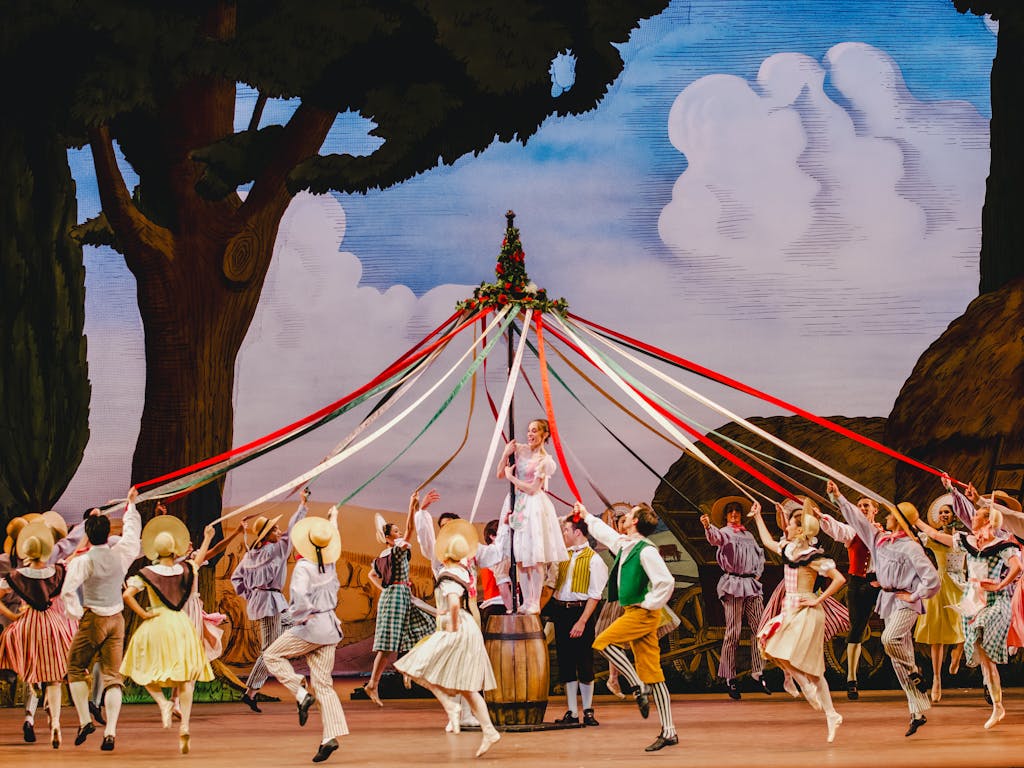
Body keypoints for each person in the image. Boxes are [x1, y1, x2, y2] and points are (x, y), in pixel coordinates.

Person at [825, 480, 939, 736]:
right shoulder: (880, 540)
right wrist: (838, 497)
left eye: (891, 515)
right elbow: (857, 520)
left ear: (899, 519)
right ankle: (917, 711)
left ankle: (915, 672)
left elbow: (932, 579)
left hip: (906, 602)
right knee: (898, 659)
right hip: (888, 601)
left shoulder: (911, 547)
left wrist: (915, 595)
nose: (887, 517)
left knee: (889, 639)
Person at [916, 477, 1022, 729]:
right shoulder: (968, 541)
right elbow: (934, 534)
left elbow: (1017, 567)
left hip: (995, 600)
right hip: (972, 600)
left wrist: (1000, 584)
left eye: (977, 515)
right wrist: (914, 519)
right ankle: (997, 705)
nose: (971, 517)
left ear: (988, 520)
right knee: (984, 659)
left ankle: (992, 681)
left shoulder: (1003, 544)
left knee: (983, 628)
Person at [575, 501, 677, 752]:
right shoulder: (626, 544)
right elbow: (605, 534)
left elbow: (665, 581)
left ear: (635, 522)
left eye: (629, 515)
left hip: (642, 613)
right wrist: (586, 515)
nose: (625, 517)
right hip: (636, 612)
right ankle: (669, 731)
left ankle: (637, 685)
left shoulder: (646, 550)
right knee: (654, 673)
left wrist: (649, 603)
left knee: (603, 641)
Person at [394, 519, 501, 758]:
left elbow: (453, 602)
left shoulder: (448, 573)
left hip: (458, 626)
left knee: (412, 665)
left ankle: (449, 704)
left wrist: (451, 624)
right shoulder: (464, 570)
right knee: (467, 687)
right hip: (467, 625)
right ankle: (489, 730)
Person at [751, 499, 845, 742]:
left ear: (800, 530)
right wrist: (758, 516)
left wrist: (818, 599)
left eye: (791, 526)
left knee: (801, 662)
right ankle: (830, 712)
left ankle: (807, 688)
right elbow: (767, 541)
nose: (787, 529)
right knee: (771, 646)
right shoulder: (789, 549)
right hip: (790, 607)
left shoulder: (811, 557)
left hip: (807, 610)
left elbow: (839, 579)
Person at [261, 507, 349, 763]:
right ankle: (329, 736)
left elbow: (299, 597)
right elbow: (332, 538)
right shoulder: (329, 563)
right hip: (330, 628)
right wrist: (334, 519)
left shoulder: (303, 566)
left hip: (312, 627)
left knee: (271, 655)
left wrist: (300, 615)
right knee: (323, 684)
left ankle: (300, 692)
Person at [120, 517, 214, 754]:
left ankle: (163, 702)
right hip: (181, 624)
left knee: (141, 667)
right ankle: (185, 725)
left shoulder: (146, 573)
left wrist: (143, 614)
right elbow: (199, 560)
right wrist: (207, 538)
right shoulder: (185, 569)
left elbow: (127, 595)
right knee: (185, 677)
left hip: (158, 622)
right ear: (174, 550)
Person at [60, 487, 142, 751]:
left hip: (94, 618)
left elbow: (67, 591)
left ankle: (85, 721)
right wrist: (131, 506)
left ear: (88, 533)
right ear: (108, 533)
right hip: (116, 619)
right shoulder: (121, 553)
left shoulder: (83, 561)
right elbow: (132, 534)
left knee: (75, 668)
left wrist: (76, 614)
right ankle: (111, 732)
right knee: (112, 677)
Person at [230, 488, 310, 712]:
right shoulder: (276, 550)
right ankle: (251, 691)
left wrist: (252, 594)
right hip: (269, 604)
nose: (278, 530)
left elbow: (236, 578)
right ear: (267, 535)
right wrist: (302, 505)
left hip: (273, 603)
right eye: (274, 529)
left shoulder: (251, 555)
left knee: (299, 628)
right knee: (270, 650)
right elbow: (292, 530)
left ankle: (289, 679)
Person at [0, 521, 78, 748]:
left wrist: (12, 616)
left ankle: (31, 706)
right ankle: (55, 723)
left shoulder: (16, 576)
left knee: (30, 665)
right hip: (52, 624)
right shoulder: (58, 572)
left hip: (28, 624)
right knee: (54, 678)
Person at [363, 500, 435, 707]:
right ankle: (373, 684)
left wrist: (386, 588)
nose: (400, 532)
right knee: (387, 646)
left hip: (399, 594)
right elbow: (411, 529)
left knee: (419, 629)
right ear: (388, 538)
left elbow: (371, 575)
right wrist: (412, 507)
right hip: (396, 597)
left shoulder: (381, 557)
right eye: (396, 531)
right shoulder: (396, 551)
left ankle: (407, 669)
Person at [495, 419, 569, 614]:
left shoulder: (545, 461)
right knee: (520, 556)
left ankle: (535, 601)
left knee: (534, 557)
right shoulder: (520, 450)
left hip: (532, 505)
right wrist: (505, 454)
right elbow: (500, 474)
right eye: (529, 430)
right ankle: (526, 600)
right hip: (517, 504)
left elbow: (533, 488)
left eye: (534, 431)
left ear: (544, 435)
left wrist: (512, 478)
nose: (530, 434)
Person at [700, 496, 769, 699]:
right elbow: (715, 538)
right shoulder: (724, 533)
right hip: (733, 585)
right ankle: (730, 677)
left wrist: (757, 574)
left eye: (737, 511)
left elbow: (760, 555)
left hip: (751, 585)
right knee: (733, 632)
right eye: (730, 511)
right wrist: (707, 526)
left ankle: (758, 670)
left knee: (760, 627)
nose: (734, 514)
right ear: (726, 515)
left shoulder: (748, 535)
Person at [548, 515, 609, 726]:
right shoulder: (561, 556)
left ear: (577, 532)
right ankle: (572, 711)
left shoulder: (594, 559)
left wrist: (582, 621)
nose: (563, 533)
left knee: (584, 661)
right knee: (565, 661)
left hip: (581, 611)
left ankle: (588, 710)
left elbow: (595, 595)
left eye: (566, 530)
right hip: (561, 611)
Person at [914, 494, 965, 703]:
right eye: (941, 512)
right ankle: (936, 678)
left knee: (965, 625)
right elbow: (925, 536)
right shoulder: (934, 538)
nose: (944, 515)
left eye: (947, 512)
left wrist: (917, 520)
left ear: (954, 515)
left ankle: (958, 653)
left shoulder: (963, 537)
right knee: (937, 634)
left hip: (959, 584)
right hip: (940, 585)